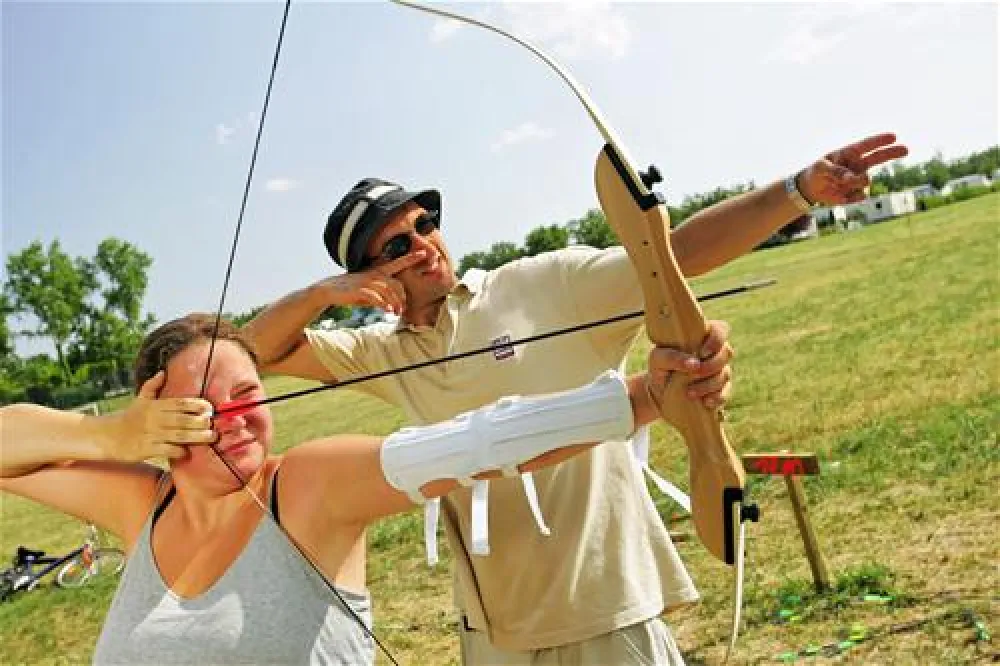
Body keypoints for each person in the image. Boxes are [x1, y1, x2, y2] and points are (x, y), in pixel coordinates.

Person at [244, 132, 907, 664]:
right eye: (396, 244)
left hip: (606, 601)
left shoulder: (543, 283)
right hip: (495, 625)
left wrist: (798, 192)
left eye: (427, 224)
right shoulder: (384, 352)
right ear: (367, 272)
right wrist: (319, 296)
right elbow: (255, 351)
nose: (423, 245)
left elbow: (671, 256)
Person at [0, 312, 731, 665]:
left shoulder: (308, 486)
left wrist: (641, 396)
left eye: (248, 391)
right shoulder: (140, 502)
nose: (236, 417)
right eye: (201, 403)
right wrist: (110, 437)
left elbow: (469, 445)